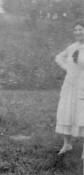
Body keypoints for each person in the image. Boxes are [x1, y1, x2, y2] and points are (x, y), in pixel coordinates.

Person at [55, 19, 84, 155]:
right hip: (70, 84)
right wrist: (67, 67)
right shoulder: (72, 47)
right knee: (67, 111)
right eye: (76, 30)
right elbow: (59, 57)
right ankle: (67, 144)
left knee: (82, 113)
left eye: (81, 29)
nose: (78, 32)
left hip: (83, 85)